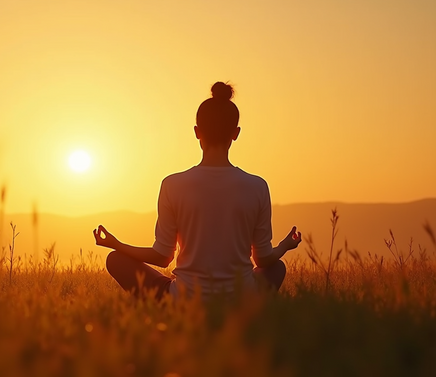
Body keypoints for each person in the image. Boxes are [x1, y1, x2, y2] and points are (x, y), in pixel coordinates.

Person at [93, 82, 302, 301]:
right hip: (240, 300)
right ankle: (245, 313)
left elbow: (163, 257)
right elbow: (264, 260)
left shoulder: (172, 185)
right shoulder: (257, 186)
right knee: (277, 268)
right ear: (236, 133)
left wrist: (116, 244)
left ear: (196, 132)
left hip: (183, 300)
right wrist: (286, 245)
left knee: (116, 259)